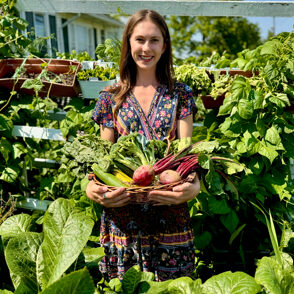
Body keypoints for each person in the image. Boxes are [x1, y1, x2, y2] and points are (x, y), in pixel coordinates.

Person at [86, 9, 200, 281]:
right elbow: (104, 161)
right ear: (128, 43)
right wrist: (93, 189)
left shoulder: (180, 95)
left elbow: (186, 154)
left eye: (154, 40)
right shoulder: (110, 98)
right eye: (139, 40)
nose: (146, 48)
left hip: (169, 213)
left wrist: (193, 187)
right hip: (123, 218)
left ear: (164, 45)